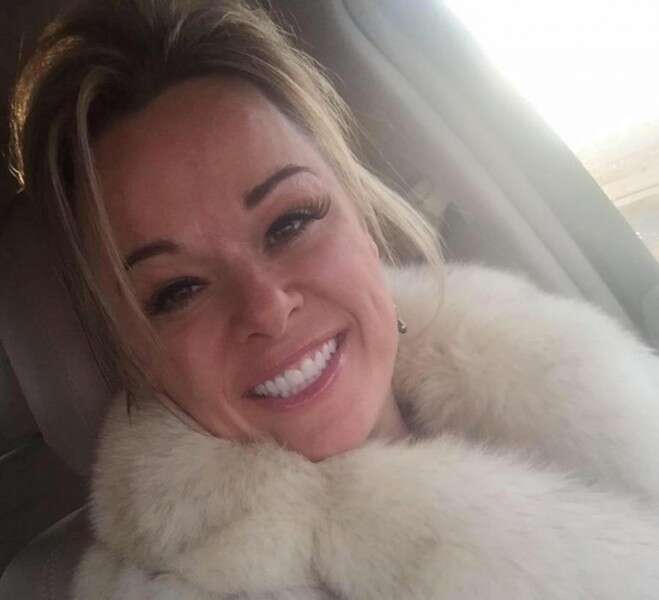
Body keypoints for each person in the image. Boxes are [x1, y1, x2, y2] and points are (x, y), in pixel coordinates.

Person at [10, 0, 659, 598]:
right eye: (178, 290)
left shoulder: (567, 375)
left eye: (289, 222)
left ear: (361, 215)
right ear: (139, 359)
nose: (266, 308)